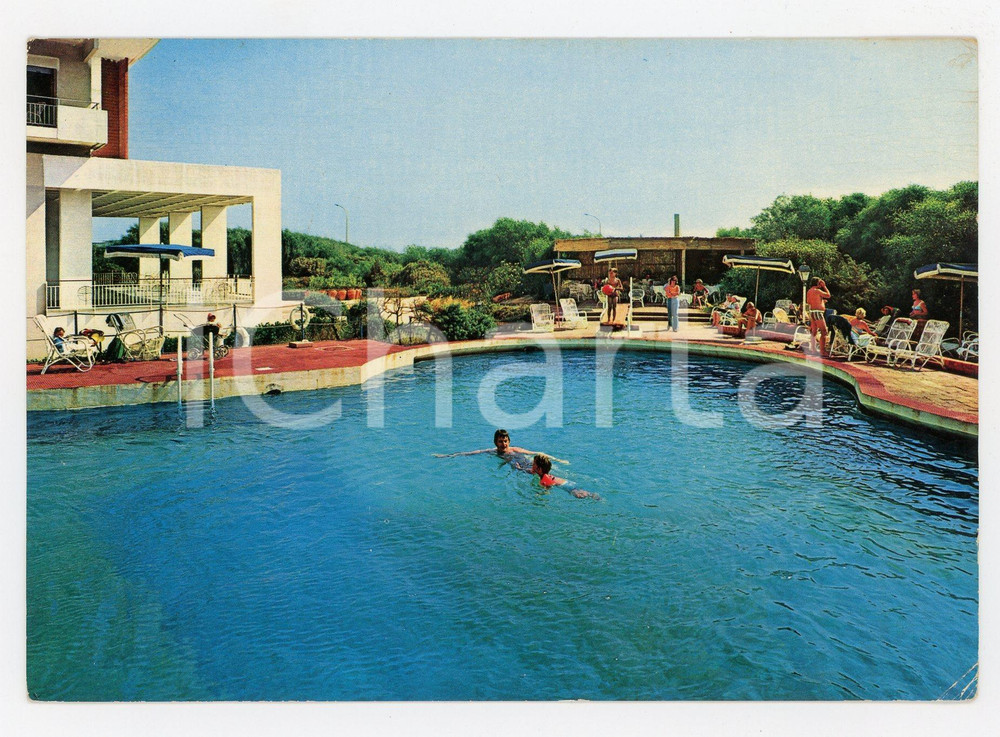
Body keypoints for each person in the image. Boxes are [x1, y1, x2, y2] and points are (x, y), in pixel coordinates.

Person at [434, 429, 569, 468]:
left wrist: (558, 460)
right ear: (495, 443)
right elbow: (469, 453)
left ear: (509, 442)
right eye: (500, 441)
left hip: (524, 462)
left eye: (505, 441)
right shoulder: (492, 452)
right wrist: (447, 456)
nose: (503, 444)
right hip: (515, 466)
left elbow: (537, 453)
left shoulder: (515, 449)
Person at [531, 454, 600, 500]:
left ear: (539, 469)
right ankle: (593, 495)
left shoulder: (544, 479)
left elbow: (548, 489)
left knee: (578, 495)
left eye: (534, 464)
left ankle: (595, 497)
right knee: (583, 492)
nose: (532, 464)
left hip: (567, 487)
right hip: (569, 483)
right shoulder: (546, 475)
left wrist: (540, 494)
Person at [805, 277, 832, 356]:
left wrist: (821, 302)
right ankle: (822, 351)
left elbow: (809, 302)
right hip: (818, 313)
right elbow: (828, 295)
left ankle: (813, 350)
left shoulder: (809, 291)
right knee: (824, 331)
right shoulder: (817, 291)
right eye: (820, 282)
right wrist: (824, 286)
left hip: (812, 312)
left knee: (814, 332)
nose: (821, 283)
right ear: (817, 283)